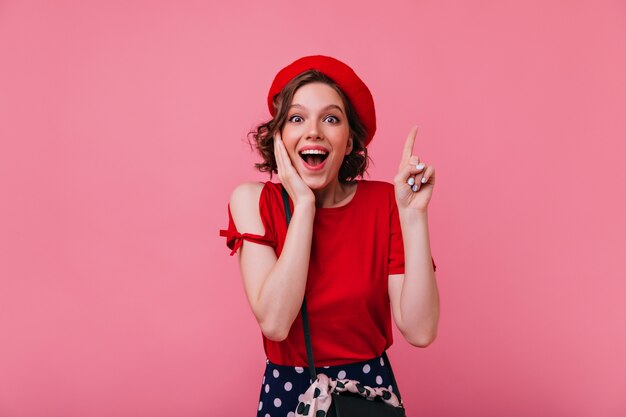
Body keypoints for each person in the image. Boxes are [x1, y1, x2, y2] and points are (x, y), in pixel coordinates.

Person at [220, 55, 440, 417]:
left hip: (367, 397)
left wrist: (413, 217)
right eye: (296, 118)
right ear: (279, 137)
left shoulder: (386, 202)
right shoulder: (252, 200)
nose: (313, 131)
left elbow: (420, 331)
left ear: (350, 141)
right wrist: (304, 205)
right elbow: (275, 323)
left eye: (331, 119)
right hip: (288, 393)